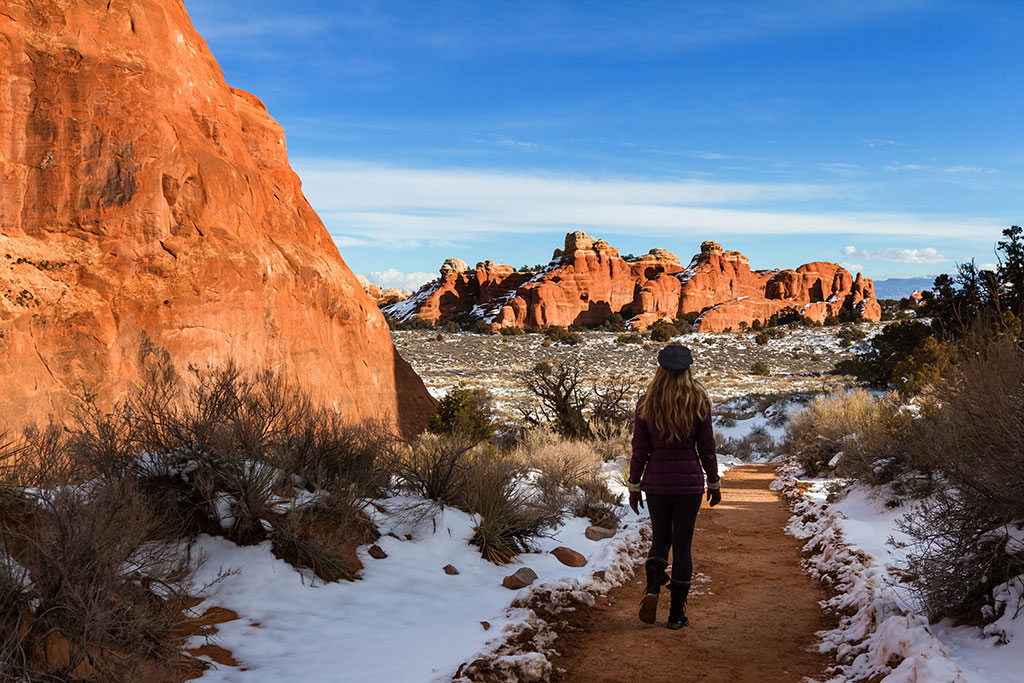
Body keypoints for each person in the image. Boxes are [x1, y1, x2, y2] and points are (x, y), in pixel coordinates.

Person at [628, 344, 721, 629]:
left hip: (656, 483)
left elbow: (639, 448)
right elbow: (707, 447)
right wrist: (713, 481)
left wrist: (634, 485)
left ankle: (653, 590)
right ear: (688, 370)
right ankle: (676, 614)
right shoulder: (699, 401)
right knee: (682, 549)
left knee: (660, 540)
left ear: (660, 370)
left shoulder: (647, 402)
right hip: (689, 486)